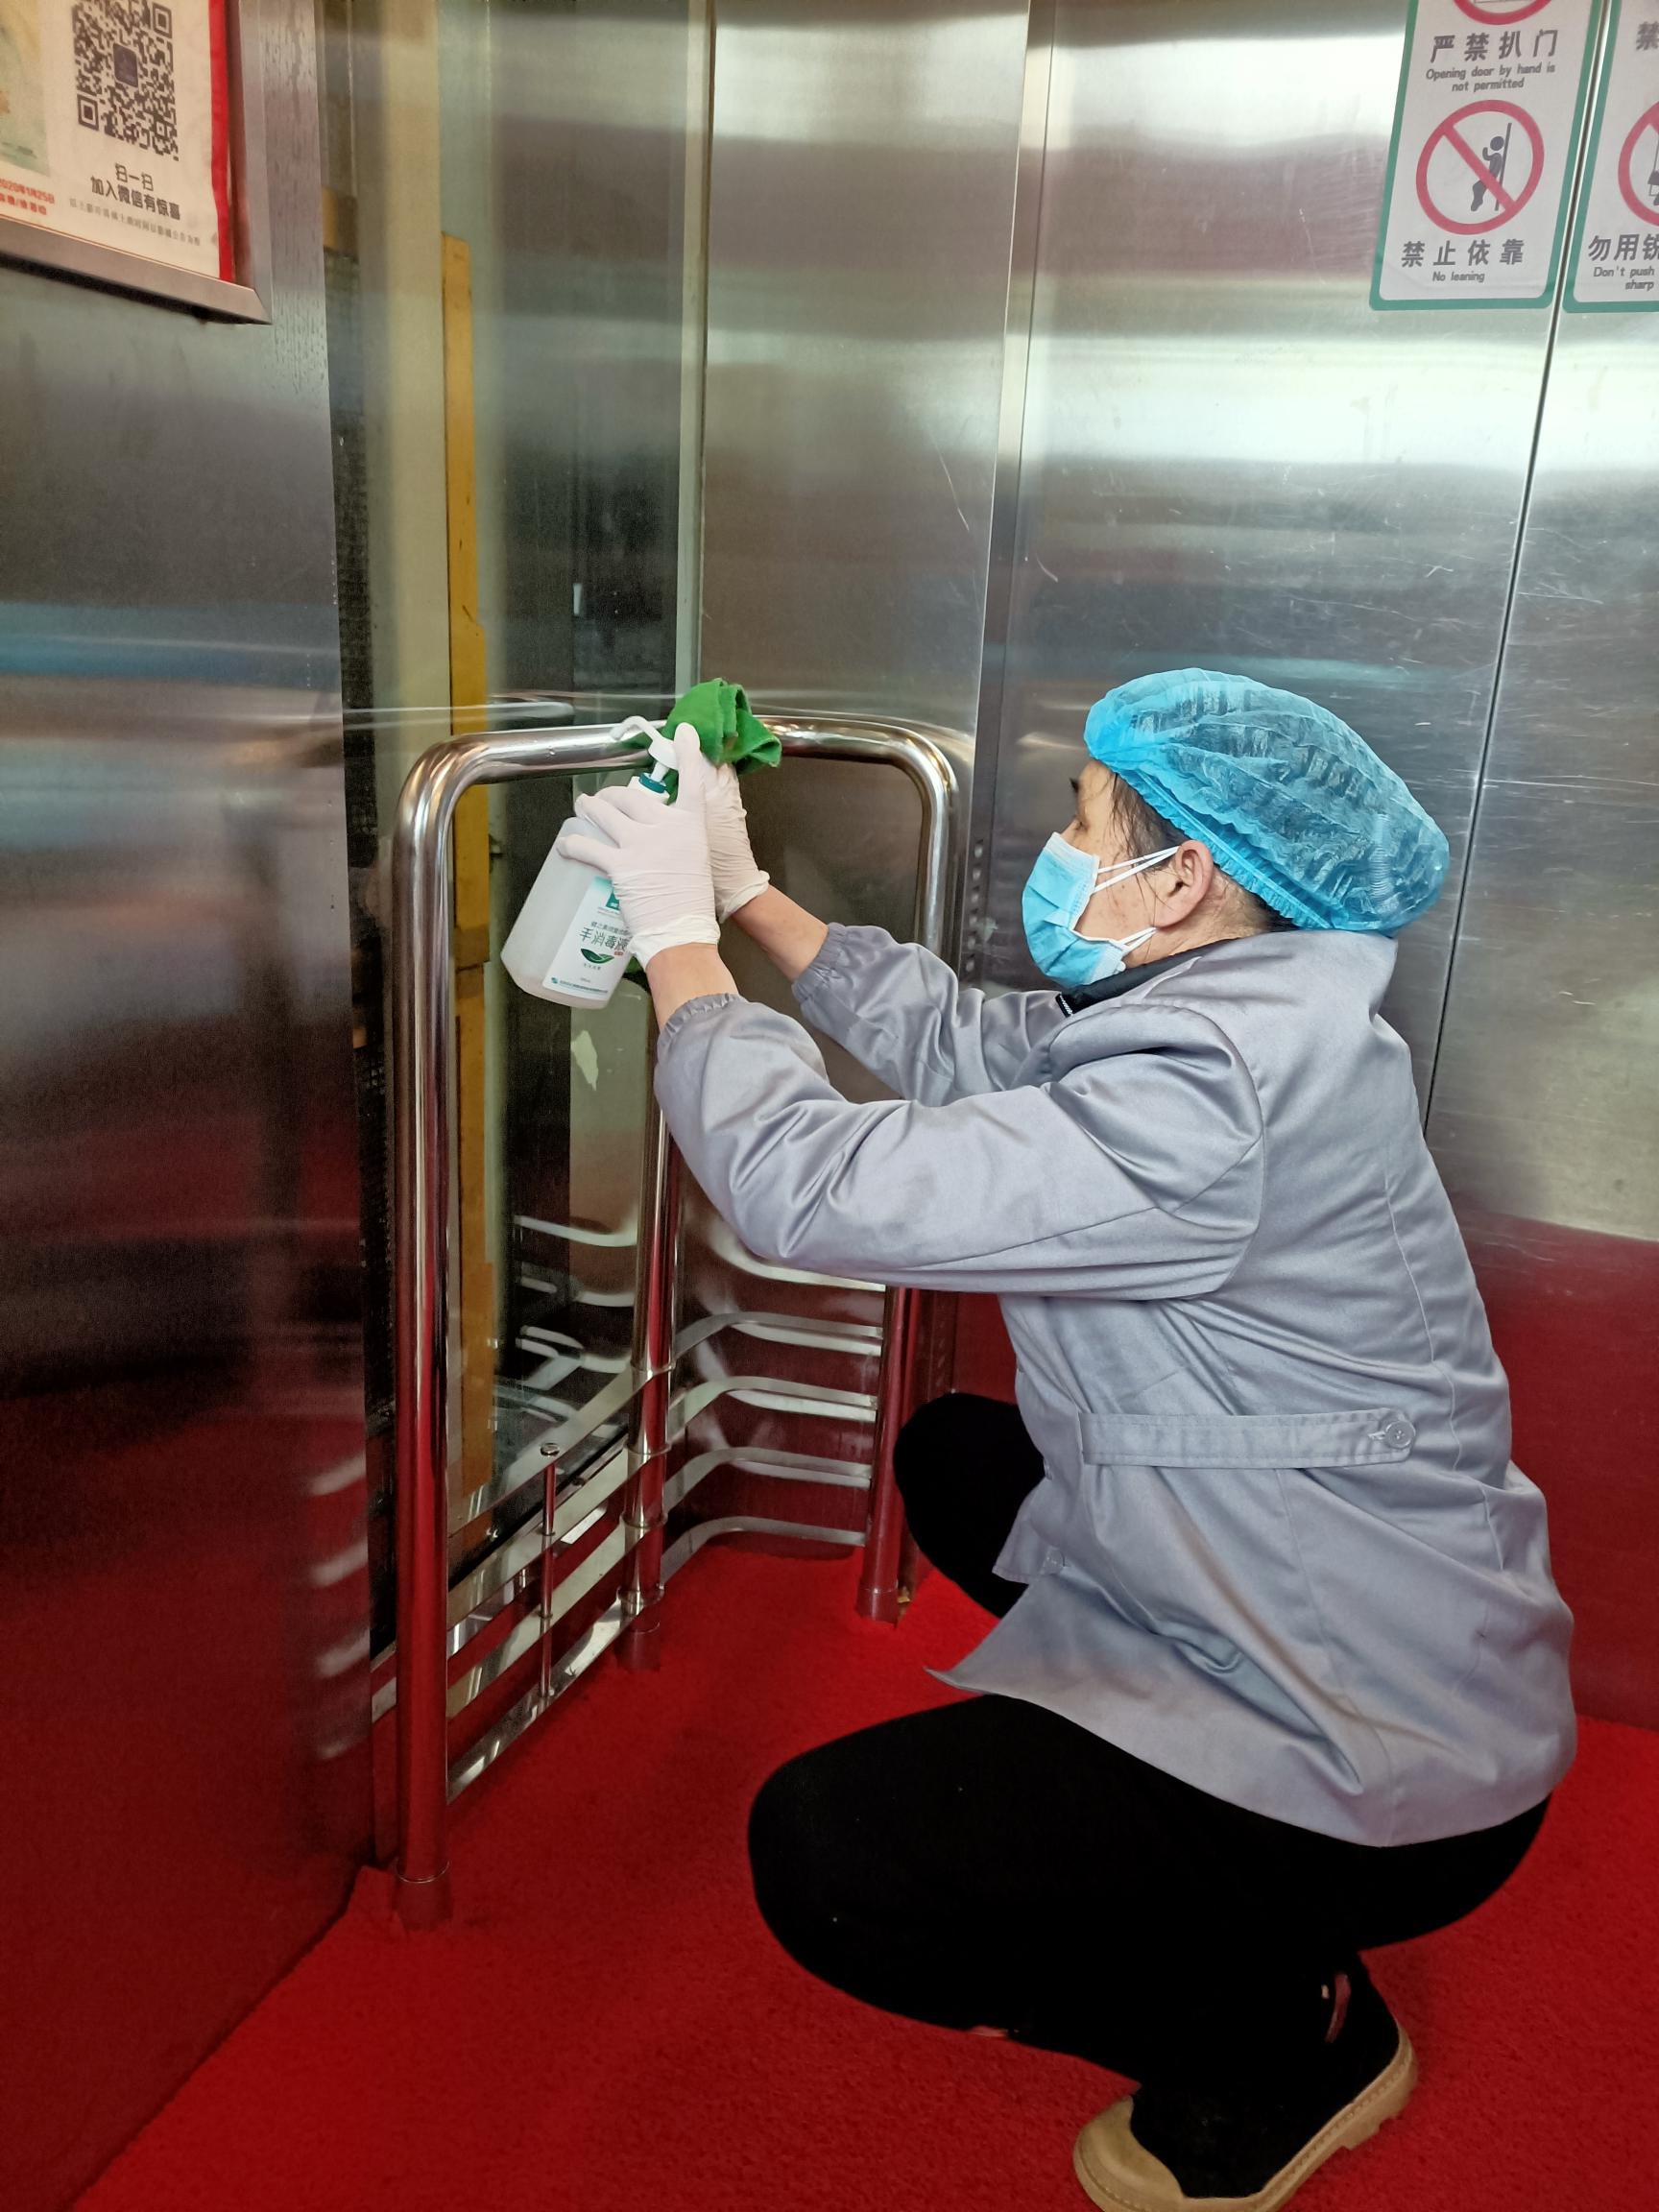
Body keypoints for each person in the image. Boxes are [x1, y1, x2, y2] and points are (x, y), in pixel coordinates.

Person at [557, 669, 1575, 2212]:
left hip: (1385, 1742)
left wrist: (676, 945)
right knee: (960, 1460)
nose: (1061, 841)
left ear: (1179, 880)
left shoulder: (1216, 1096)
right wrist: (748, 895)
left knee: (833, 1863)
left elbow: (808, 1187)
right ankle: (1218, 1865)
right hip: (1366, 1599)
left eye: (1086, 817)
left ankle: (1283, 2035)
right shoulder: (1245, 1011)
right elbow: (978, 1045)